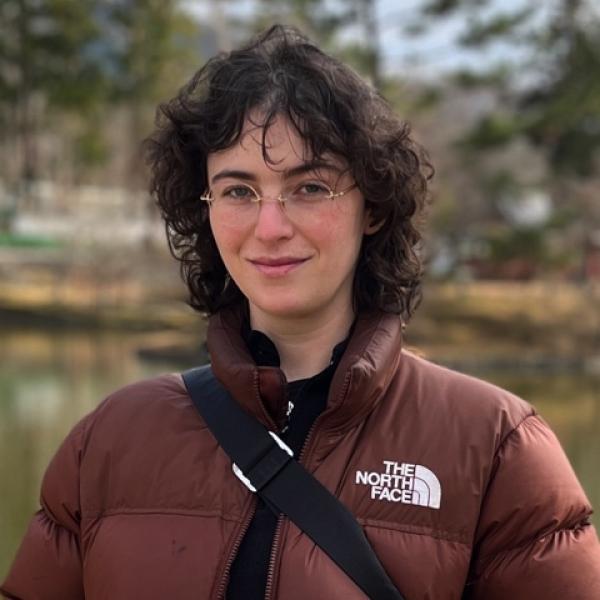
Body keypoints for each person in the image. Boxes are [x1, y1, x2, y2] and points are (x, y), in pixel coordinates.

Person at [2, 24, 599, 600]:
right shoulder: (110, 440)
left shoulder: (495, 447)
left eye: (310, 187)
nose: (270, 227)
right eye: (238, 191)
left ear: (373, 207)